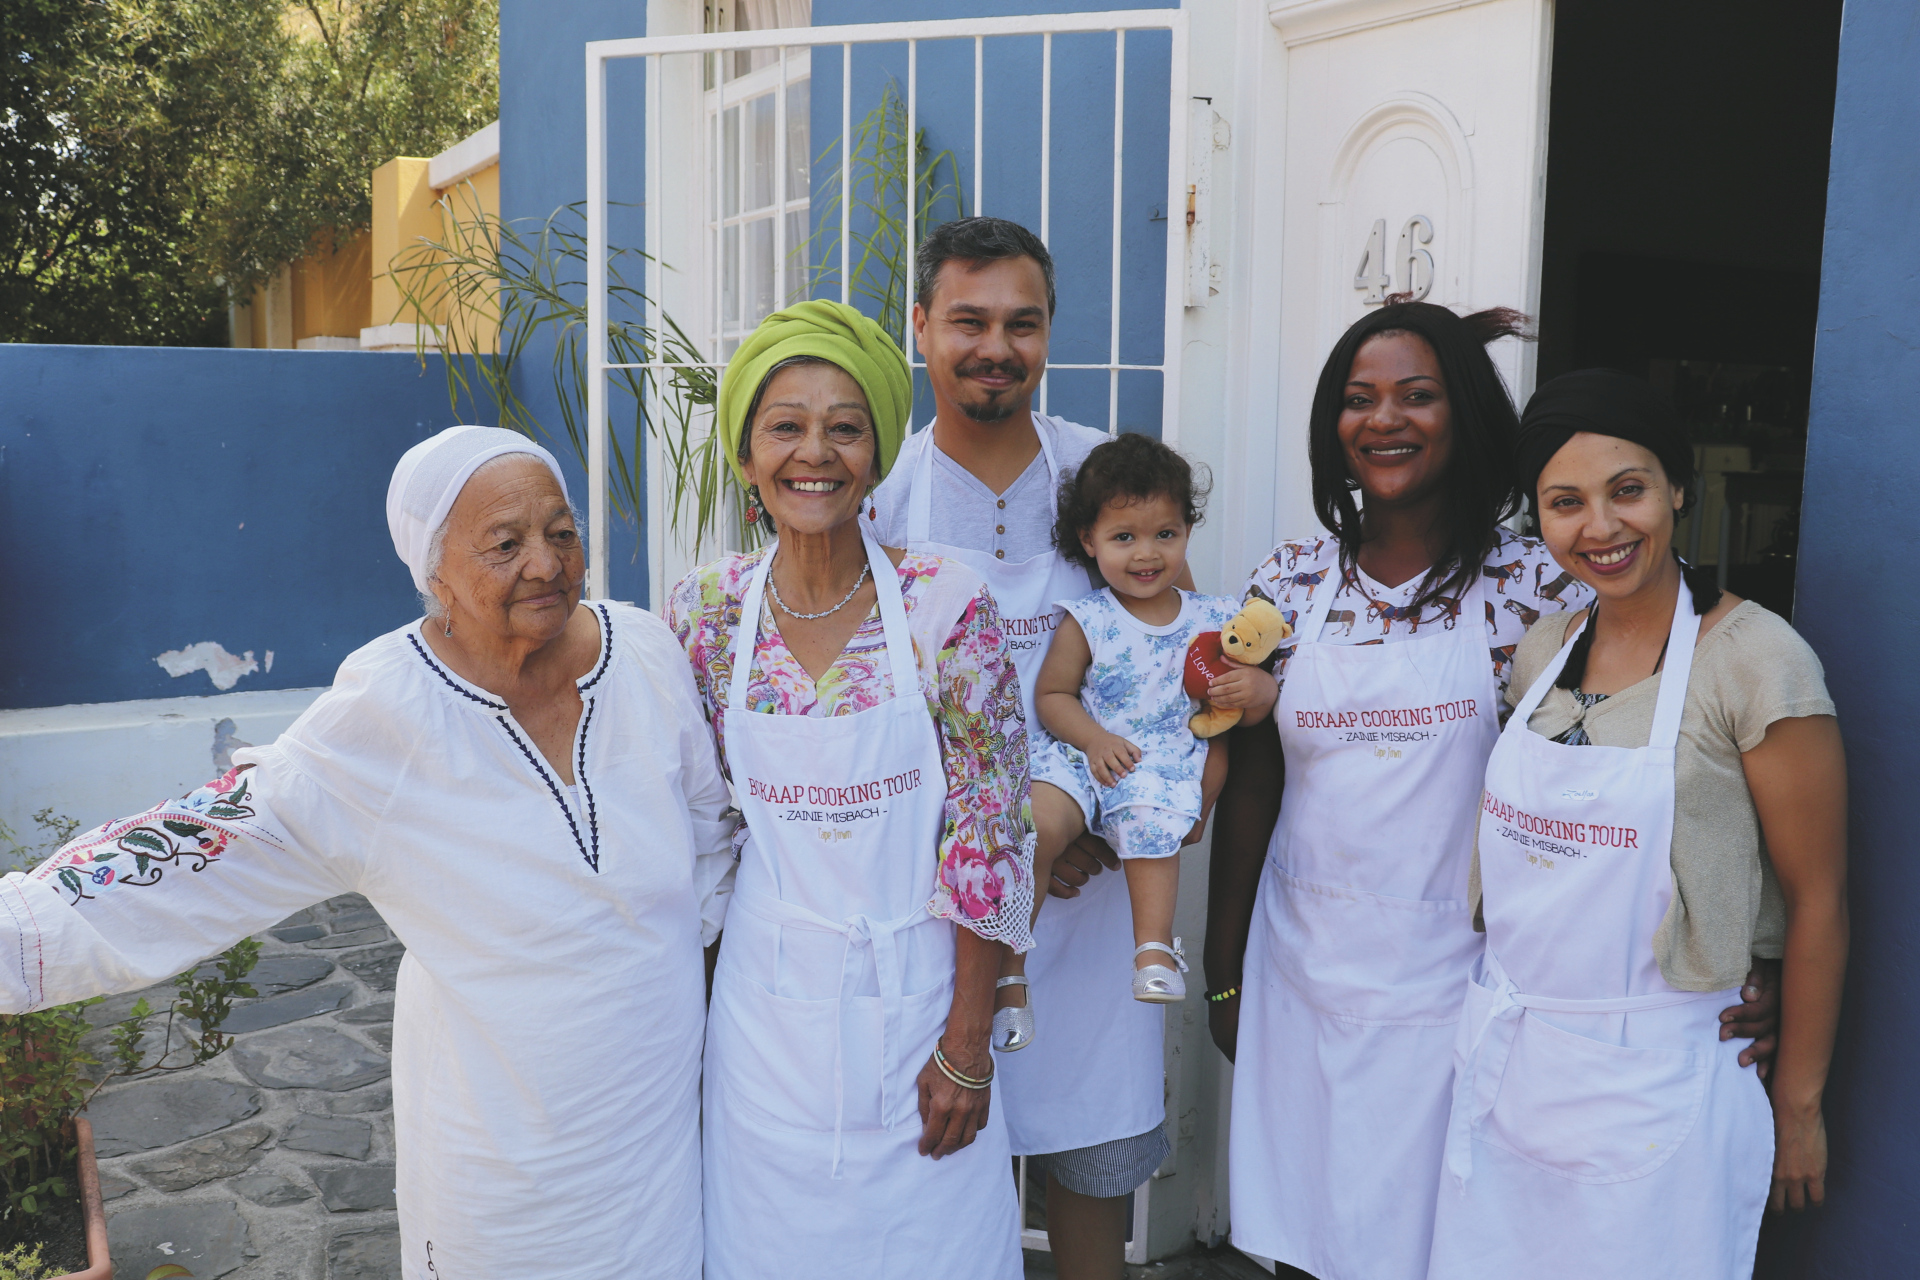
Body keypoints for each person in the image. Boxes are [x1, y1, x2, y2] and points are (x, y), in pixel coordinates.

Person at [4, 426, 736, 1277]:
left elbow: (710, 837)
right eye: (505, 544)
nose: (545, 563)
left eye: (561, 532)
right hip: (507, 1169)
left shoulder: (642, 652)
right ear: (435, 573)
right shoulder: (390, 712)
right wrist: (18, 936)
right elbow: (214, 839)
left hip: (660, 1140)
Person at [1206, 303, 1780, 1280]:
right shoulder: (1292, 580)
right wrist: (1224, 969)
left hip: (1467, 994)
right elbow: (1256, 782)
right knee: (1308, 1238)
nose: (1385, 418)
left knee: (1447, 1246)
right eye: (1360, 398)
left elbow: (1664, 780)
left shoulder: (1542, 589)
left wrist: (1750, 954)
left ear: (1465, 413)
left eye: (1417, 395)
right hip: (1304, 974)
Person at [1426, 369, 1847, 1278]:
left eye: (1628, 490)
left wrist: (1800, 1107)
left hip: (1663, 1081)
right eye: (1565, 502)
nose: (1602, 527)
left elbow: (1818, 900)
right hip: (1512, 1068)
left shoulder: (1757, 661)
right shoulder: (1542, 651)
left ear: (1679, 489)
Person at [865, 216, 1203, 1277]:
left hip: (1096, 881)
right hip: (943, 891)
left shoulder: (1101, 476)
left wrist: (1100, 824)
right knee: (934, 1159)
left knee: (1091, 1161)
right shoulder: (883, 499)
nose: (995, 346)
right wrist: (996, 856)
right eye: (968, 321)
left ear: (1050, 331)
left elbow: (1172, 656)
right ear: (921, 327)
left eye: (1022, 322)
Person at [668, 299, 1028, 1280]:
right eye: (786, 426)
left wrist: (966, 1044)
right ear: (747, 455)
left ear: (876, 453)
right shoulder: (706, 612)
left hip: (923, 1009)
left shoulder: (945, 604)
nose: (814, 453)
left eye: (845, 427)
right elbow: (702, 828)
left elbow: (991, 833)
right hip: (764, 1022)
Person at [1018, 434, 1263, 1007]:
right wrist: (1093, 739)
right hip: (1085, 753)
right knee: (1034, 826)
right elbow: (1052, 695)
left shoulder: (1214, 619)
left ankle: (1153, 951)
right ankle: (1009, 968)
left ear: (1187, 531)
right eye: (1123, 537)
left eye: (1165, 535)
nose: (1146, 553)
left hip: (1158, 763)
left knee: (1151, 815)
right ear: (1089, 540)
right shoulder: (1088, 617)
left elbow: (1228, 711)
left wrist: (1257, 695)